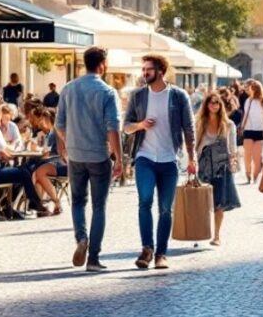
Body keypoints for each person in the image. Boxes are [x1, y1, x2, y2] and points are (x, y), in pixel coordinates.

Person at [123, 54, 197, 270]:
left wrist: (192, 158)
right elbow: (126, 126)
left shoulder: (178, 96)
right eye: (143, 69)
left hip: (169, 159)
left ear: (161, 72)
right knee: (144, 202)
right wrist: (140, 125)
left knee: (165, 209)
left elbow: (189, 128)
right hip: (145, 157)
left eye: (149, 69)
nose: (145, 73)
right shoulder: (138, 96)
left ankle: (161, 254)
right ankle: (147, 249)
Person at [55, 46, 123, 272]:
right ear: (102, 64)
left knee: (77, 202)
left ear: (85, 63)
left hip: (75, 155)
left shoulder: (68, 89)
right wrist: (119, 158)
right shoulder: (107, 92)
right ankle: (93, 258)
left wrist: (69, 143)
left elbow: (59, 125)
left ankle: (81, 238)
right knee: (99, 206)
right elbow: (113, 128)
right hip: (98, 155)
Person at [194, 91, 240, 247]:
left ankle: (217, 235)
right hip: (203, 165)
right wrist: (192, 164)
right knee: (202, 201)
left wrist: (234, 162)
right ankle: (200, 233)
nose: (214, 105)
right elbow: (195, 146)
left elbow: (233, 148)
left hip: (222, 166)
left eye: (217, 102)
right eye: (211, 102)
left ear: (221, 105)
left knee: (219, 202)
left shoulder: (228, 125)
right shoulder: (200, 123)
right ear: (206, 105)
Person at [239, 80, 263, 185]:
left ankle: (255, 177)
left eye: (251, 88)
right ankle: (248, 175)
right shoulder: (249, 100)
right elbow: (246, 114)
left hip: (261, 130)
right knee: (247, 154)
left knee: (257, 157)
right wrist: (242, 127)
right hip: (248, 130)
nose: (249, 90)